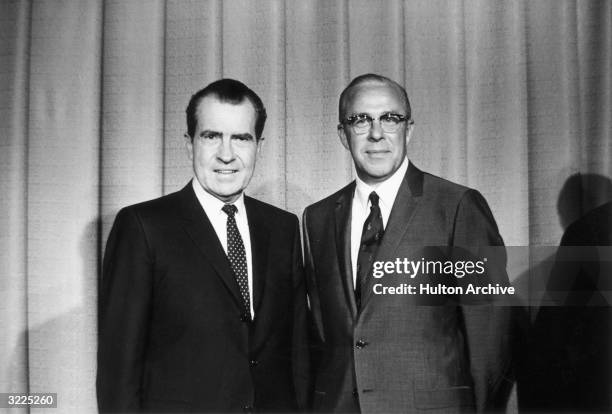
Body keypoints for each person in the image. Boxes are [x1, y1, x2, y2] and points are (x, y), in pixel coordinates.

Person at [302, 74, 514, 413]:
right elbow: (325, 336)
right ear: (343, 135)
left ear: (408, 129)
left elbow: (492, 337)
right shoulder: (317, 218)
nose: (376, 133)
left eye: (390, 118)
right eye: (360, 120)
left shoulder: (457, 206)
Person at [97, 79, 308, 413]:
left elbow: (298, 354)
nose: (227, 154)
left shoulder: (283, 228)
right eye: (212, 136)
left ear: (258, 146)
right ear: (189, 144)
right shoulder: (143, 227)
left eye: (241, 138)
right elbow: (118, 371)